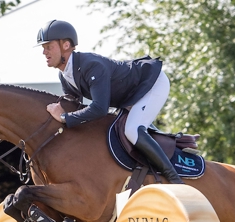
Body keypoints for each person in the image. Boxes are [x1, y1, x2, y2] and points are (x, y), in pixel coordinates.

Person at [36, 20, 182, 184]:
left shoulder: (91, 65)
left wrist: (64, 117)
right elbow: (74, 106)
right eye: (43, 47)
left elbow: (99, 108)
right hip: (130, 95)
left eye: (49, 46)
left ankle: (175, 180)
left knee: (132, 130)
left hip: (151, 84)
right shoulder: (64, 75)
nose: (44, 52)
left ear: (66, 45)